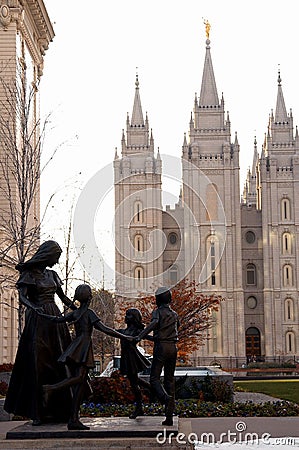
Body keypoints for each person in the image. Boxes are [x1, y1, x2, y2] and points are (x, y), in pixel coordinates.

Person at [41, 284, 132, 430]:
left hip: (76, 346)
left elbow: (57, 319)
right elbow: (105, 329)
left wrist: (42, 314)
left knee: (80, 384)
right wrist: (124, 337)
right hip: (83, 347)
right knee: (79, 379)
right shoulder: (89, 313)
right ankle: (51, 389)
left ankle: (73, 418)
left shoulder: (76, 313)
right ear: (89, 297)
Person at [4, 240, 76, 425]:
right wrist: (34, 308)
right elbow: (22, 297)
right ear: (48, 255)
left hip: (54, 321)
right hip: (38, 321)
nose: (57, 262)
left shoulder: (52, 275)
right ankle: (37, 412)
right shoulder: (29, 274)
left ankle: (61, 410)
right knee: (38, 363)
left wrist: (76, 308)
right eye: (56, 258)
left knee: (59, 362)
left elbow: (62, 297)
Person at [134, 287, 179, 426]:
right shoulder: (174, 314)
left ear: (158, 300)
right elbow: (175, 328)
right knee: (169, 381)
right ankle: (169, 416)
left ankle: (165, 399)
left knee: (154, 378)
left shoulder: (158, 312)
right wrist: (145, 335)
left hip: (161, 348)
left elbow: (154, 324)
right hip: (173, 347)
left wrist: (139, 336)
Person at [118, 308, 151, 419]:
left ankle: (139, 407)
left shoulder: (136, 331)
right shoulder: (123, 332)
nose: (125, 317)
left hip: (132, 358)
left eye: (128, 315)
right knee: (134, 380)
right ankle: (152, 390)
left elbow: (149, 337)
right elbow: (108, 330)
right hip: (126, 357)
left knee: (133, 382)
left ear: (134, 318)